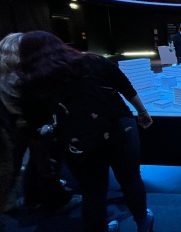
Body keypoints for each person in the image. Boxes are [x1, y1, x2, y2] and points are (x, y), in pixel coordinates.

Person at [17, 31, 155, 232]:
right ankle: (143, 222)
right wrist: (142, 112)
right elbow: (124, 86)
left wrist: (43, 159)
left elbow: (35, 127)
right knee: (131, 178)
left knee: (93, 191)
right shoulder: (92, 60)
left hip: (76, 141)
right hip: (119, 126)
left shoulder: (31, 82)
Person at [0, 33, 81, 214]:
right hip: (32, 126)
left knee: (15, 165)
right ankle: (54, 200)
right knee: (45, 163)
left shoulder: (4, 72)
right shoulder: (25, 75)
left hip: (13, 127)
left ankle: (19, 198)